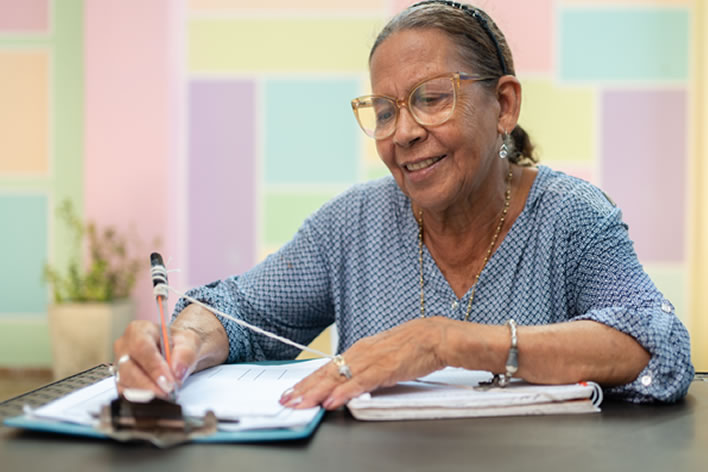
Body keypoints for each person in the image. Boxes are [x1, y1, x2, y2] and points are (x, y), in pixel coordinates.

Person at [113, 0, 694, 408]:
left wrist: (442, 342)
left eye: (432, 99)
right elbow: (239, 312)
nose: (404, 132)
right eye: (385, 111)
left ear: (506, 105)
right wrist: (182, 340)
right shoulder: (353, 224)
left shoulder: (571, 217)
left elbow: (655, 344)